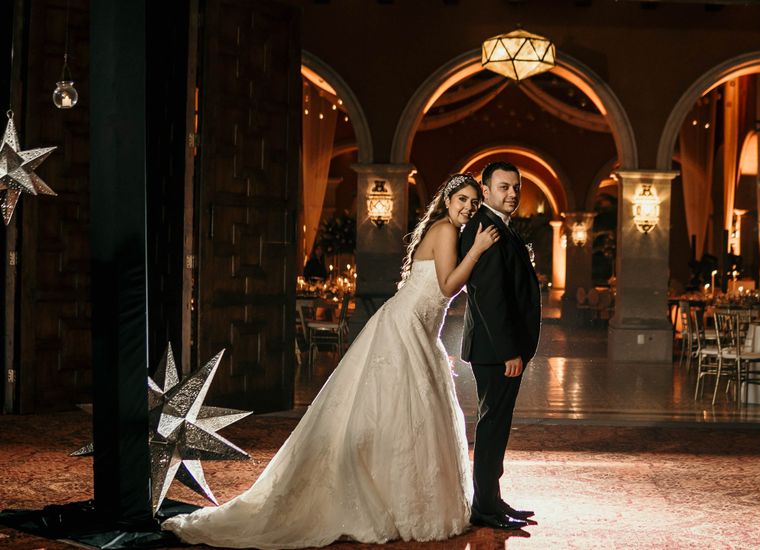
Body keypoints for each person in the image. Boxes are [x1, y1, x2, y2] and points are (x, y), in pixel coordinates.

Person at [162, 174, 500, 548]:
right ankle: (383, 499)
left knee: (402, 415)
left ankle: (397, 496)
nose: (468, 207)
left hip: (420, 332)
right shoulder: (446, 231)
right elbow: (449, 285)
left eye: (473, 202)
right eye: (462, 199)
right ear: (448, 199)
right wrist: (478, 250)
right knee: (395, 412)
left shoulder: (451, 231)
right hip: (404, 328)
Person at [459, 161, 542, 530]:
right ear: (486, 190)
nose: (511, 194)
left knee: (497, 425)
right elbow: (489, 297)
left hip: (499, 349)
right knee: (492, 427)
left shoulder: (498, 228)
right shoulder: (485, 229)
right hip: (496, 352)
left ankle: (491, 499)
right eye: (503, 187)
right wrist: (510, 350)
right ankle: (485, 510)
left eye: (516, 188)